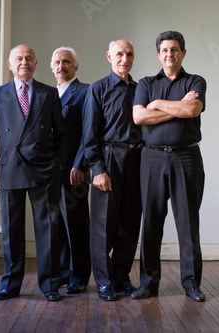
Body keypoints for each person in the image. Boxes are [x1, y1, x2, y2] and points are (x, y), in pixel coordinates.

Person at [0, 44, 68, 301]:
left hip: (44, 170)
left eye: (28, 58)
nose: (24, 62)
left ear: (36, 63)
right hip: (10, 169)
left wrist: (59, 164)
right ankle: (10, 284)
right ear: (10, 64)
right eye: (18, 58)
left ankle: (50, 285)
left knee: (48, 230)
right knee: (11, 231)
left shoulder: (48, 93)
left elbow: (62, 134)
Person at [131, 31, 207, 302]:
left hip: (186, 158)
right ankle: (149, 284)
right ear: (158, 54)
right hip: (151, 159)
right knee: (151, 223)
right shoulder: (146, 82)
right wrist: (177, 106)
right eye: (164, 50)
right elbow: (139, 116)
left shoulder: (195, 81)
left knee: (188, 224)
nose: (170, 54)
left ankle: (191, 284)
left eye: (175, 49)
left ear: (183, 53)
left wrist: (158, 105)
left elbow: (191, 111)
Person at [82, 39, 142, 301]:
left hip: (137, 159)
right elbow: (89, 136)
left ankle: (120, 278)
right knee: (103, 228)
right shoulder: (98, 89)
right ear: (109, 56)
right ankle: (104, 282)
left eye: (129, 54)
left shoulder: (141, 90)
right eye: (119, 54)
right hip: (108, 159)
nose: (124, 59)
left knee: (129, 225)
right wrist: (97, 170)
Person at [50, 46, 91, 294]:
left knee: (76, 225)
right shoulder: (47, 94)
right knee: (56, 225)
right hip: (51, 172)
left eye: (66, 62)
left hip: (74, 171)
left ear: (75, 66)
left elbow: (89, 133)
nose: (61, 66)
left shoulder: (85, 92)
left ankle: (80, 276)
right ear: (51, 66)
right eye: (57, 62)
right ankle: (63, 272)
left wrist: (80, 164)